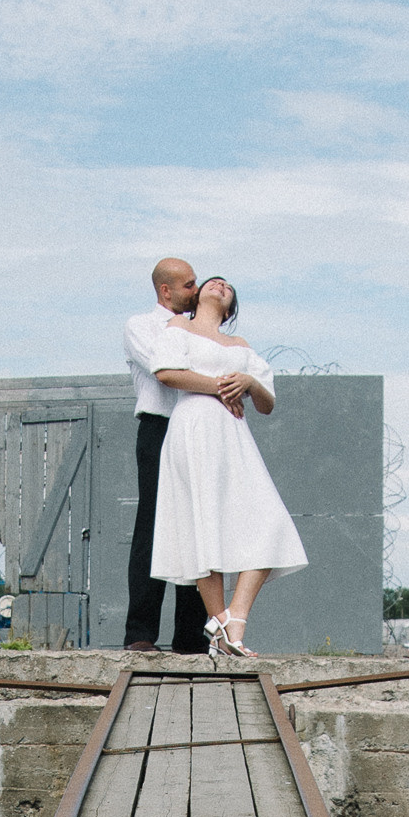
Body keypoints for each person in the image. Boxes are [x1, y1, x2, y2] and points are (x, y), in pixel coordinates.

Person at [149, 280, 305, 661]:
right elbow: (167, 373)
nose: (220, 285)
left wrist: (250, 382)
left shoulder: (241, 346)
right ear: (198, 293)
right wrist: (221, 387)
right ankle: (221, 627)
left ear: (231, 306)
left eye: (229, 287)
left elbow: (266, 403)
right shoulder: (179, 329)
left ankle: (234, 620)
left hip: (233, 434)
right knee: (202, 525)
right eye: (213, 281)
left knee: (269, 520)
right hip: (194, 426)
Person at [122, 257, 235, 653]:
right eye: (189, 285)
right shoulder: (141, 326)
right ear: (166, 291)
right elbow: (167, 367)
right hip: (159, 427)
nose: (196, 289)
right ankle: (140, 634)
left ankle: (190, 637)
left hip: (198, 430)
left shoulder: (203, 330)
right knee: (153, 525)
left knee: (199, 527)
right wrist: (222, 385)